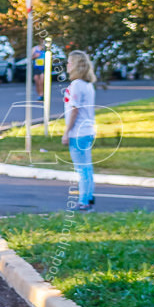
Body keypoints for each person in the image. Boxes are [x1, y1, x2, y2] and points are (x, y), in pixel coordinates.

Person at [61, 50, 96, 211]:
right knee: (86, 167)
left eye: (69, 62)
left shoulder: (76, 86)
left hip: (78, 132)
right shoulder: (88, 85)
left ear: (75, 66)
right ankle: (88, 197)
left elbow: (74, 110)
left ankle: (83, 201)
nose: (67, 66)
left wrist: (66, 132)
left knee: (81, 169)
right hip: (88, 130)